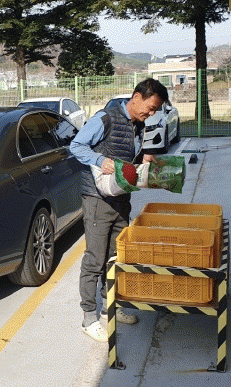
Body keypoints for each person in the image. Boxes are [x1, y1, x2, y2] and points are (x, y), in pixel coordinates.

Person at [70, 78, 169, 342]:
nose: (150, 114)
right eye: (150, 107)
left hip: (121, 196)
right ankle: (88, 318)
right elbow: (76, 146)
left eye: (154, 110)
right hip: (98, 199)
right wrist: (99, 159)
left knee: (116, 256)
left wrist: (144, 158)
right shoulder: (105, 119)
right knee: (95, 259)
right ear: (136, 97)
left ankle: (109, 307)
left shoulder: (138, 125)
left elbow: (127, 157)